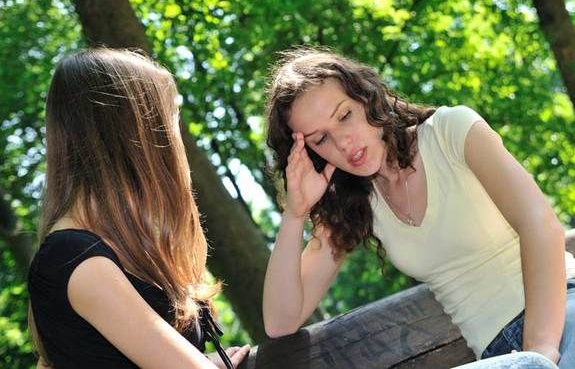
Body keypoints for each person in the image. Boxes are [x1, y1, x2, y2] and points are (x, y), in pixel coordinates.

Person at [262, 48, 575, 368]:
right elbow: (280, 322)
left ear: (367, 97)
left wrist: (539, 350)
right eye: (321, 139)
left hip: (560, 314)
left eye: (344, 116)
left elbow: (540, 225)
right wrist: (295, 213)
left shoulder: (450, 131)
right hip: (498, 357)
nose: (343, 142)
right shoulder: (357, 206)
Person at [27, 48, 250, 369]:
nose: (177, 139)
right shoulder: (74, 260)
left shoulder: (112, 249)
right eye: (170, 118)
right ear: (137, 134)